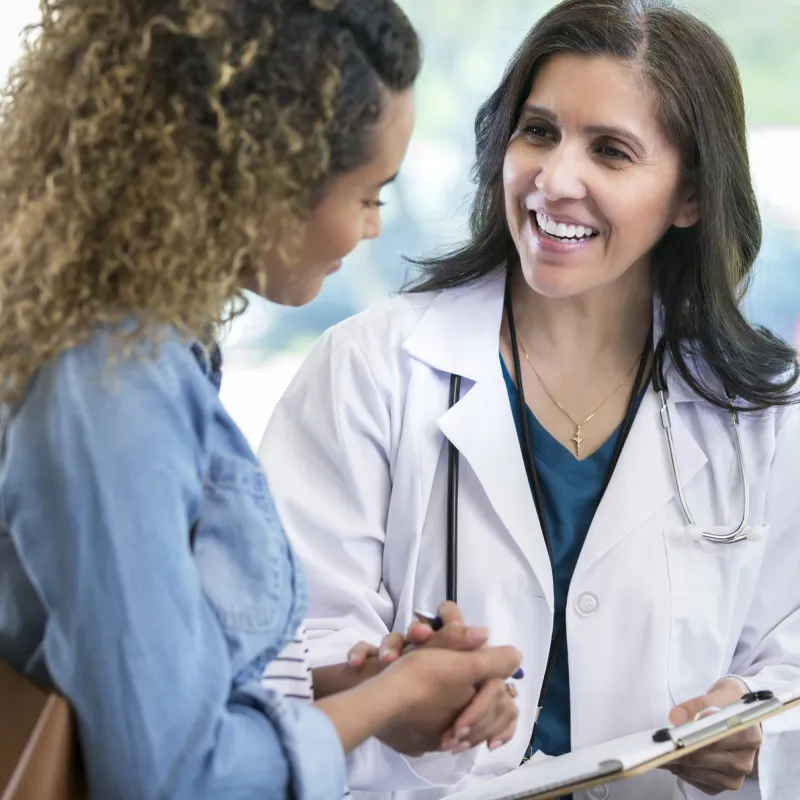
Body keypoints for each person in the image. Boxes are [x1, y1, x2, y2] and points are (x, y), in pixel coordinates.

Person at [259, 0, 800, 798]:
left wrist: (750, 725)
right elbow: (278, 644)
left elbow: (785, 656)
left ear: (691, 197)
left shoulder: (763, 410)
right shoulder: (371, 369)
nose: (553, 179)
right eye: (538, 131)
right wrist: (385, 689)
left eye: (611, 151)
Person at [0, 1, 524, 798]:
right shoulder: (110, 393)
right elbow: (176, 776)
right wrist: (389, 697)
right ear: (267, 181)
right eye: (369, 195)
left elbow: (154, 692)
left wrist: (352, 699)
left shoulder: (153, 352)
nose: (374, 228)